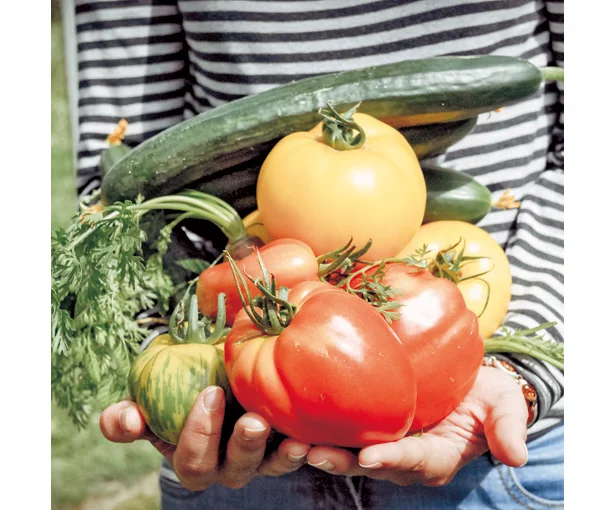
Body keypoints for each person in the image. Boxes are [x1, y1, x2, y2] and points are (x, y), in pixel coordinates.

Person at [73, 1, 564, 508]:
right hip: (238, 415)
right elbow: (116, 187)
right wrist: (171, 368)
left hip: (503, 436)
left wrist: (519, 370)